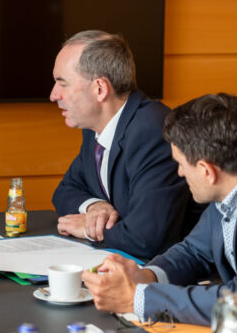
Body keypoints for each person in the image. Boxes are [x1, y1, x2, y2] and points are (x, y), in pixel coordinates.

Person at [82, 93, 237, 325]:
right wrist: (146, 277)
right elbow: (195, 251)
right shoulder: (236, 172)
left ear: (206, 171)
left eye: (180, 164)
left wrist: (136, 298)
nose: (179, 173)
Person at [51, 30, 196, 258]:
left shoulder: (152, 130)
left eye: (63, 84)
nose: (53, 95)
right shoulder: (95, 128)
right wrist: (95, 206)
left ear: (99, 89)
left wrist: (90, 231)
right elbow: (64, 191)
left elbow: (147, 239)